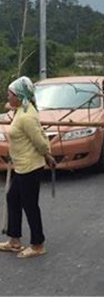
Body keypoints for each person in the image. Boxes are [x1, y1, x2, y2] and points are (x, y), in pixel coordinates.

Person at [0, 76, 56, 258]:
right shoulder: (21, 109)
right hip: (21, 165)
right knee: (13, 198)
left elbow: (40, 141)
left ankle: (38, 244)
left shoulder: (27, 116)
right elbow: (10, 109)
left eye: (10, 94)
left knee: (30, 205)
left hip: (30, 166)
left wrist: (48, 155)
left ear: (19, 96)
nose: (8, 97)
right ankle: (14, 240)